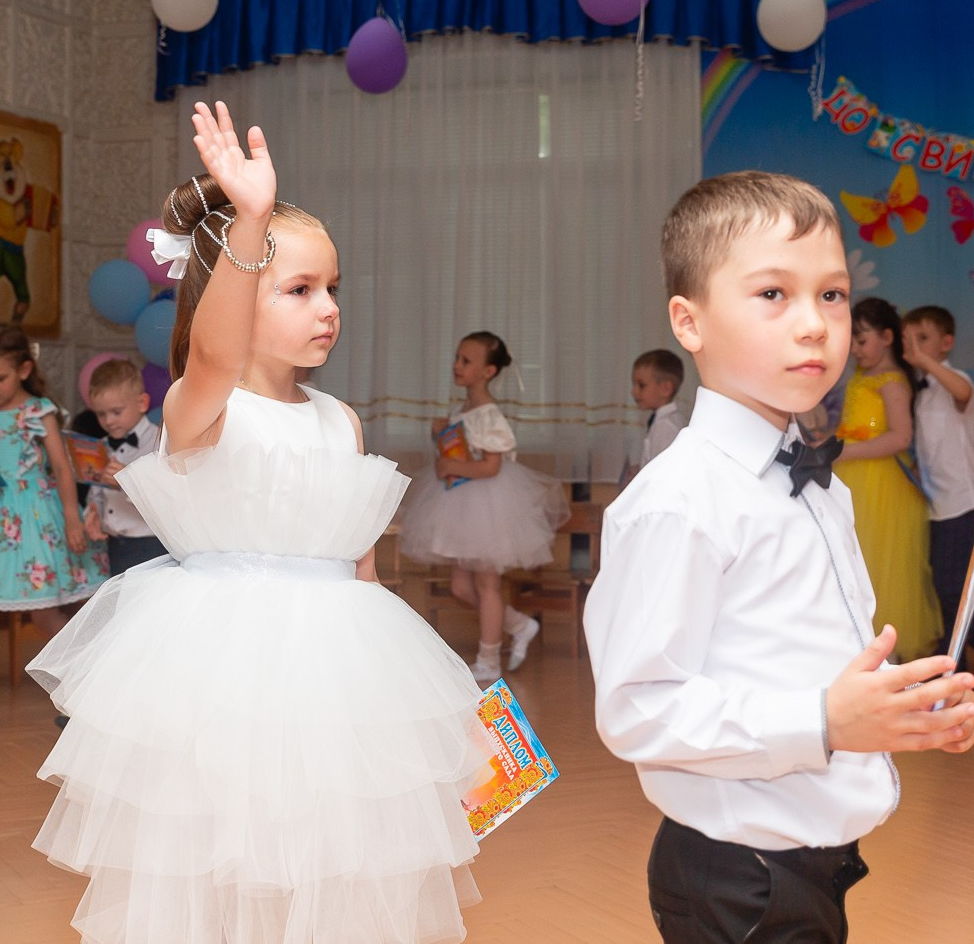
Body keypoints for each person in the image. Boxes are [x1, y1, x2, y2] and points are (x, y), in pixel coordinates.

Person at [28, 102, 489, 944]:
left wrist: (427, 713)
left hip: (336, 673)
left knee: (330, 862)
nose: (328, 308)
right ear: (235, 293)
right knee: (221, 860)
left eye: (334, 289)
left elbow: (361, 568)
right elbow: (211, 353)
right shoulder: (202, 407)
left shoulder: (341, 420)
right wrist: (248, 218)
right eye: (300, 289)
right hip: (225, 673)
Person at [587, 171, 974, 944]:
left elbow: (807, 651)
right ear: (689, 321)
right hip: (738, 875)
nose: (814, 325)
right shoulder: (680, 500)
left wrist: (903, 710)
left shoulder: (820, 483)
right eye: (773, 293)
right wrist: (823, 720)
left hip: (815, 858)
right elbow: (638, 708)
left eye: (832, 295)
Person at [0, 325, 106, 733]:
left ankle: (83, 685)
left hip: (31, 520)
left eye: (0, 377)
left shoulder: (38, 412)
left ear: (24, 370)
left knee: (43, 611)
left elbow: (61, 467)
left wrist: (72, 516)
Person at [396, 331, 569, 683]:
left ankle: (489, 659)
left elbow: (491, 466)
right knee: (461, 587)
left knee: (487, 584)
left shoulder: (489, 415)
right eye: (457, 358)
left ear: (488, 372)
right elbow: (459, 452)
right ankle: (519, 625)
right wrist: (439, 436)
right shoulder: (460, 410)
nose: (457, 365)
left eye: (466, 361)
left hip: (488, 505)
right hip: (461, 504)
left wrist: (452, 465)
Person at [902, 305, 974, 693]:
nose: (914, 346)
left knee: (954, 589)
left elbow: (964, 392)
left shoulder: (956, 380)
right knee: (947, 589)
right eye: (909, 339)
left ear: (946, 343)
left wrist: (924, 361)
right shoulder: (922, 393)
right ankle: (973, 658)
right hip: (938, 504)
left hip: (964, 502)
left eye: (923, 338)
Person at [833, 297, 943, 659]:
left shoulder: (893, 381)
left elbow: (900, 437)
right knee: (855, 564)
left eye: (861, 340)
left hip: (883, 488)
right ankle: (862, 652)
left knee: (884, 568)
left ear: (886, 337)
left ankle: (888, 655)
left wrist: (843, 452)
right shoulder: (860, 378)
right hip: (856, 480)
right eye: (851, 340)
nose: (854, 349)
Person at [71, 358, 165, 572]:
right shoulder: (101, 447)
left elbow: (164, 498)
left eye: (116, 412)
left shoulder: (159, 443)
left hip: (151, 544)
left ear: (142, 403)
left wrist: (127, 481)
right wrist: (93, 513)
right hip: (114, 545)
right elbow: (97, 493)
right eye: (101, 414)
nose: (109, 421)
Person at [632, 347, 688, 473]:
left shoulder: (666, 427)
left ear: (666, 388)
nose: (634, 392)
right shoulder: (662, 421)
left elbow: (664, 473)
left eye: (641, 385)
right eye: (634, 385)